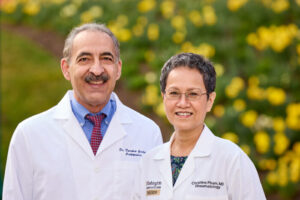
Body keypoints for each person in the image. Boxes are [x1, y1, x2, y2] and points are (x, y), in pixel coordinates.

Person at [3, 23, 163, 200]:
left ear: (118, 69)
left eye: (106, 58)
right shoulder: (29, 135)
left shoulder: (148, 133)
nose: (96, 69)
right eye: (84, 59)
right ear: (66, 68)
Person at [131, 53, 266, 200]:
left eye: (193, 94)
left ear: (210, 100)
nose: (182, 103)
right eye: (174, 93)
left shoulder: (233, 160)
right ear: (164, 98)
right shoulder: (148, 163)